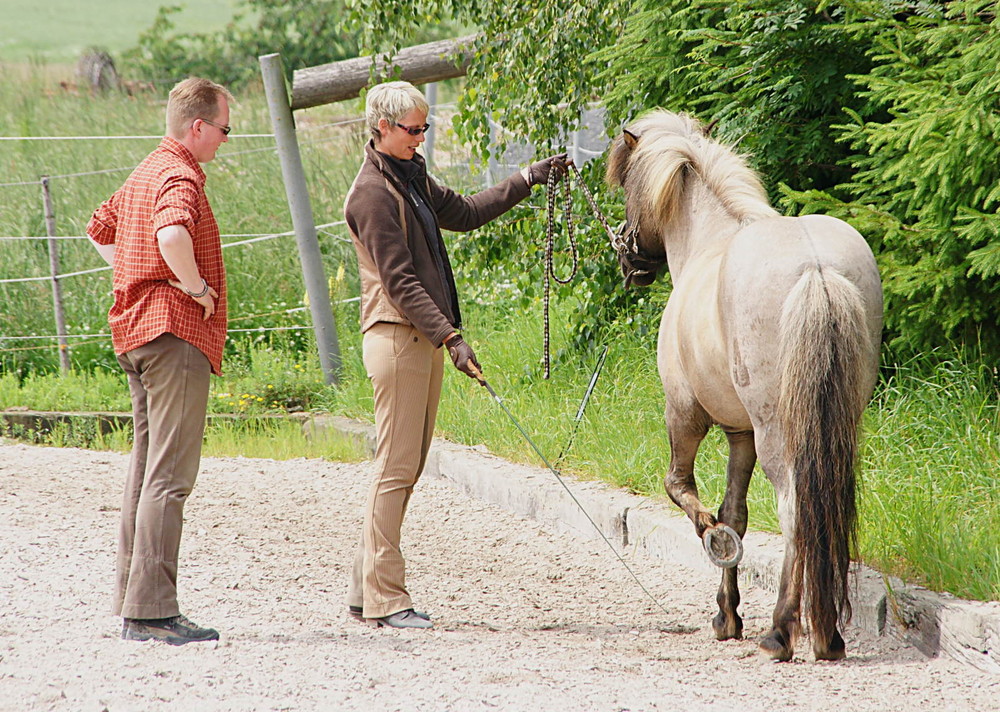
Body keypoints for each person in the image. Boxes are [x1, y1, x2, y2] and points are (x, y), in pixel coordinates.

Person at [344, 80, 569, 629]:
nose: (421, 139)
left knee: (405, 465)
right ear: (381, 127)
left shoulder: (409, 173)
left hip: (420, 338)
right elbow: (399, 281)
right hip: (397, 336)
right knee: (395, 468)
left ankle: (362, 587)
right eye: (412, 130)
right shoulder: (372, 194)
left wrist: (528, 178)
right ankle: (386, 599)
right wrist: (452, 337)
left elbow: (466, 212)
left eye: (424, 129)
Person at [87, 77, 233, 645]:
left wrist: (133, 274)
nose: (225, 139)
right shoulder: (179, 175)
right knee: (170, 476)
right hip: (173, 335)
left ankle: (132, 597)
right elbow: (172, 232)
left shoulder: (146, 169)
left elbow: (100, 229)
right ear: (197, 127)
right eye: (223, 128)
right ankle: (152, 612)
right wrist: (192, 287)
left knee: (146, 471)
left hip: (137, 334)